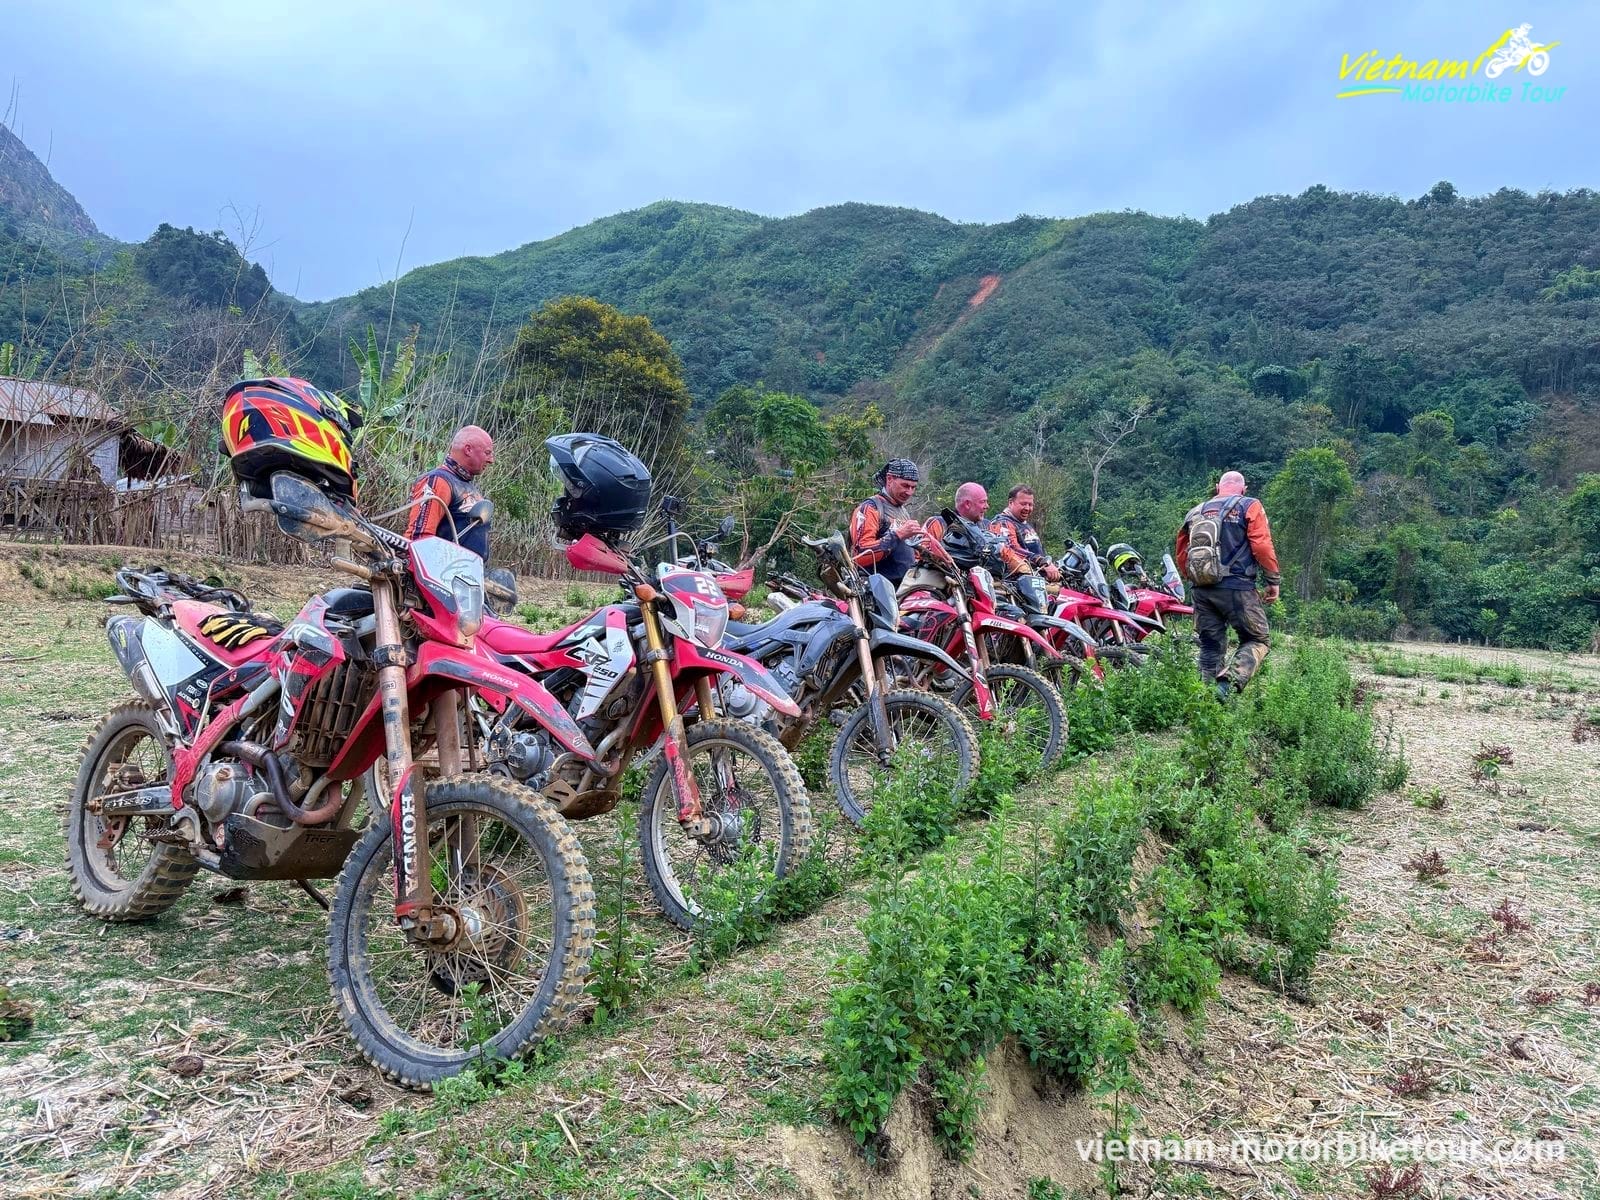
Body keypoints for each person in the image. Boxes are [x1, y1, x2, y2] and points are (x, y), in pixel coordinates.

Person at [1173, 470, 1281, 699]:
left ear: (1217, 487)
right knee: (1257, 639)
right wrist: (1273, 580)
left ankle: (1206, 702)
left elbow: (1182, 553)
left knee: (1210, 646)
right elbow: (1261, 545)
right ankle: (1226, 685)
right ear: (1244, 489)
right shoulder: (1249, 505)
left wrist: (1194, 579)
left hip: (1201, 589)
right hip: (1237, 588)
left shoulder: (1195, 512)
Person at [406, 425, 496, 561]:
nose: (491, 460)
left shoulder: (467, 486)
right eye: (487, 453)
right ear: (468, 450)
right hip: (445, 573)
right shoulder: (439, 480)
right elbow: (419, 539)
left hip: (467, 575)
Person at [924, 482, 1030, 576]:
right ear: (967, 504)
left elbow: (1005, 552)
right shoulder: (937, 523)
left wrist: (1025, 570)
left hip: (986, 586)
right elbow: (922, 553)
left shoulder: (988, 526)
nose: (987, 506)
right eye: (983, 502)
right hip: (948, 585)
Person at [848, 459, 923, 585]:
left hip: (904, 588)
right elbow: (859, 556)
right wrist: (897, 535)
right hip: (875, 589)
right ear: (889, 479)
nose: (909, 492)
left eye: (913, 487)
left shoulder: (903, 512)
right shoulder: (870, 508)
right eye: (905, 485)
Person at [990, 485, 1061, 582]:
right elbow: (1011, 549)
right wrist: (1040, 561)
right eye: (1023, 504)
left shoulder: (1023, 524)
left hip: (1036, 579)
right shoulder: (1003, 523)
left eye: (1030, 504)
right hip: (1016, 583)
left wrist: (1051, 565)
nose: (1027, 508)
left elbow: (1037, 551)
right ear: (1011, 503)